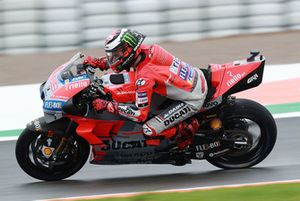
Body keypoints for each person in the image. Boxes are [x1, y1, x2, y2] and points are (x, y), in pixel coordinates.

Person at [84, 28, 208, 149]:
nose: (113, 58)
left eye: (116, 54)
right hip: (194, 78)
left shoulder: (144, 78)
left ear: (129, 51)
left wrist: (108, 105)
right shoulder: (149, 49)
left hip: (192, 99)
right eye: (112, 55)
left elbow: (139, 115)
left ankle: (186, 130)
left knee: (149, 129)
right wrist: (100, 62)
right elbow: (123, 59)